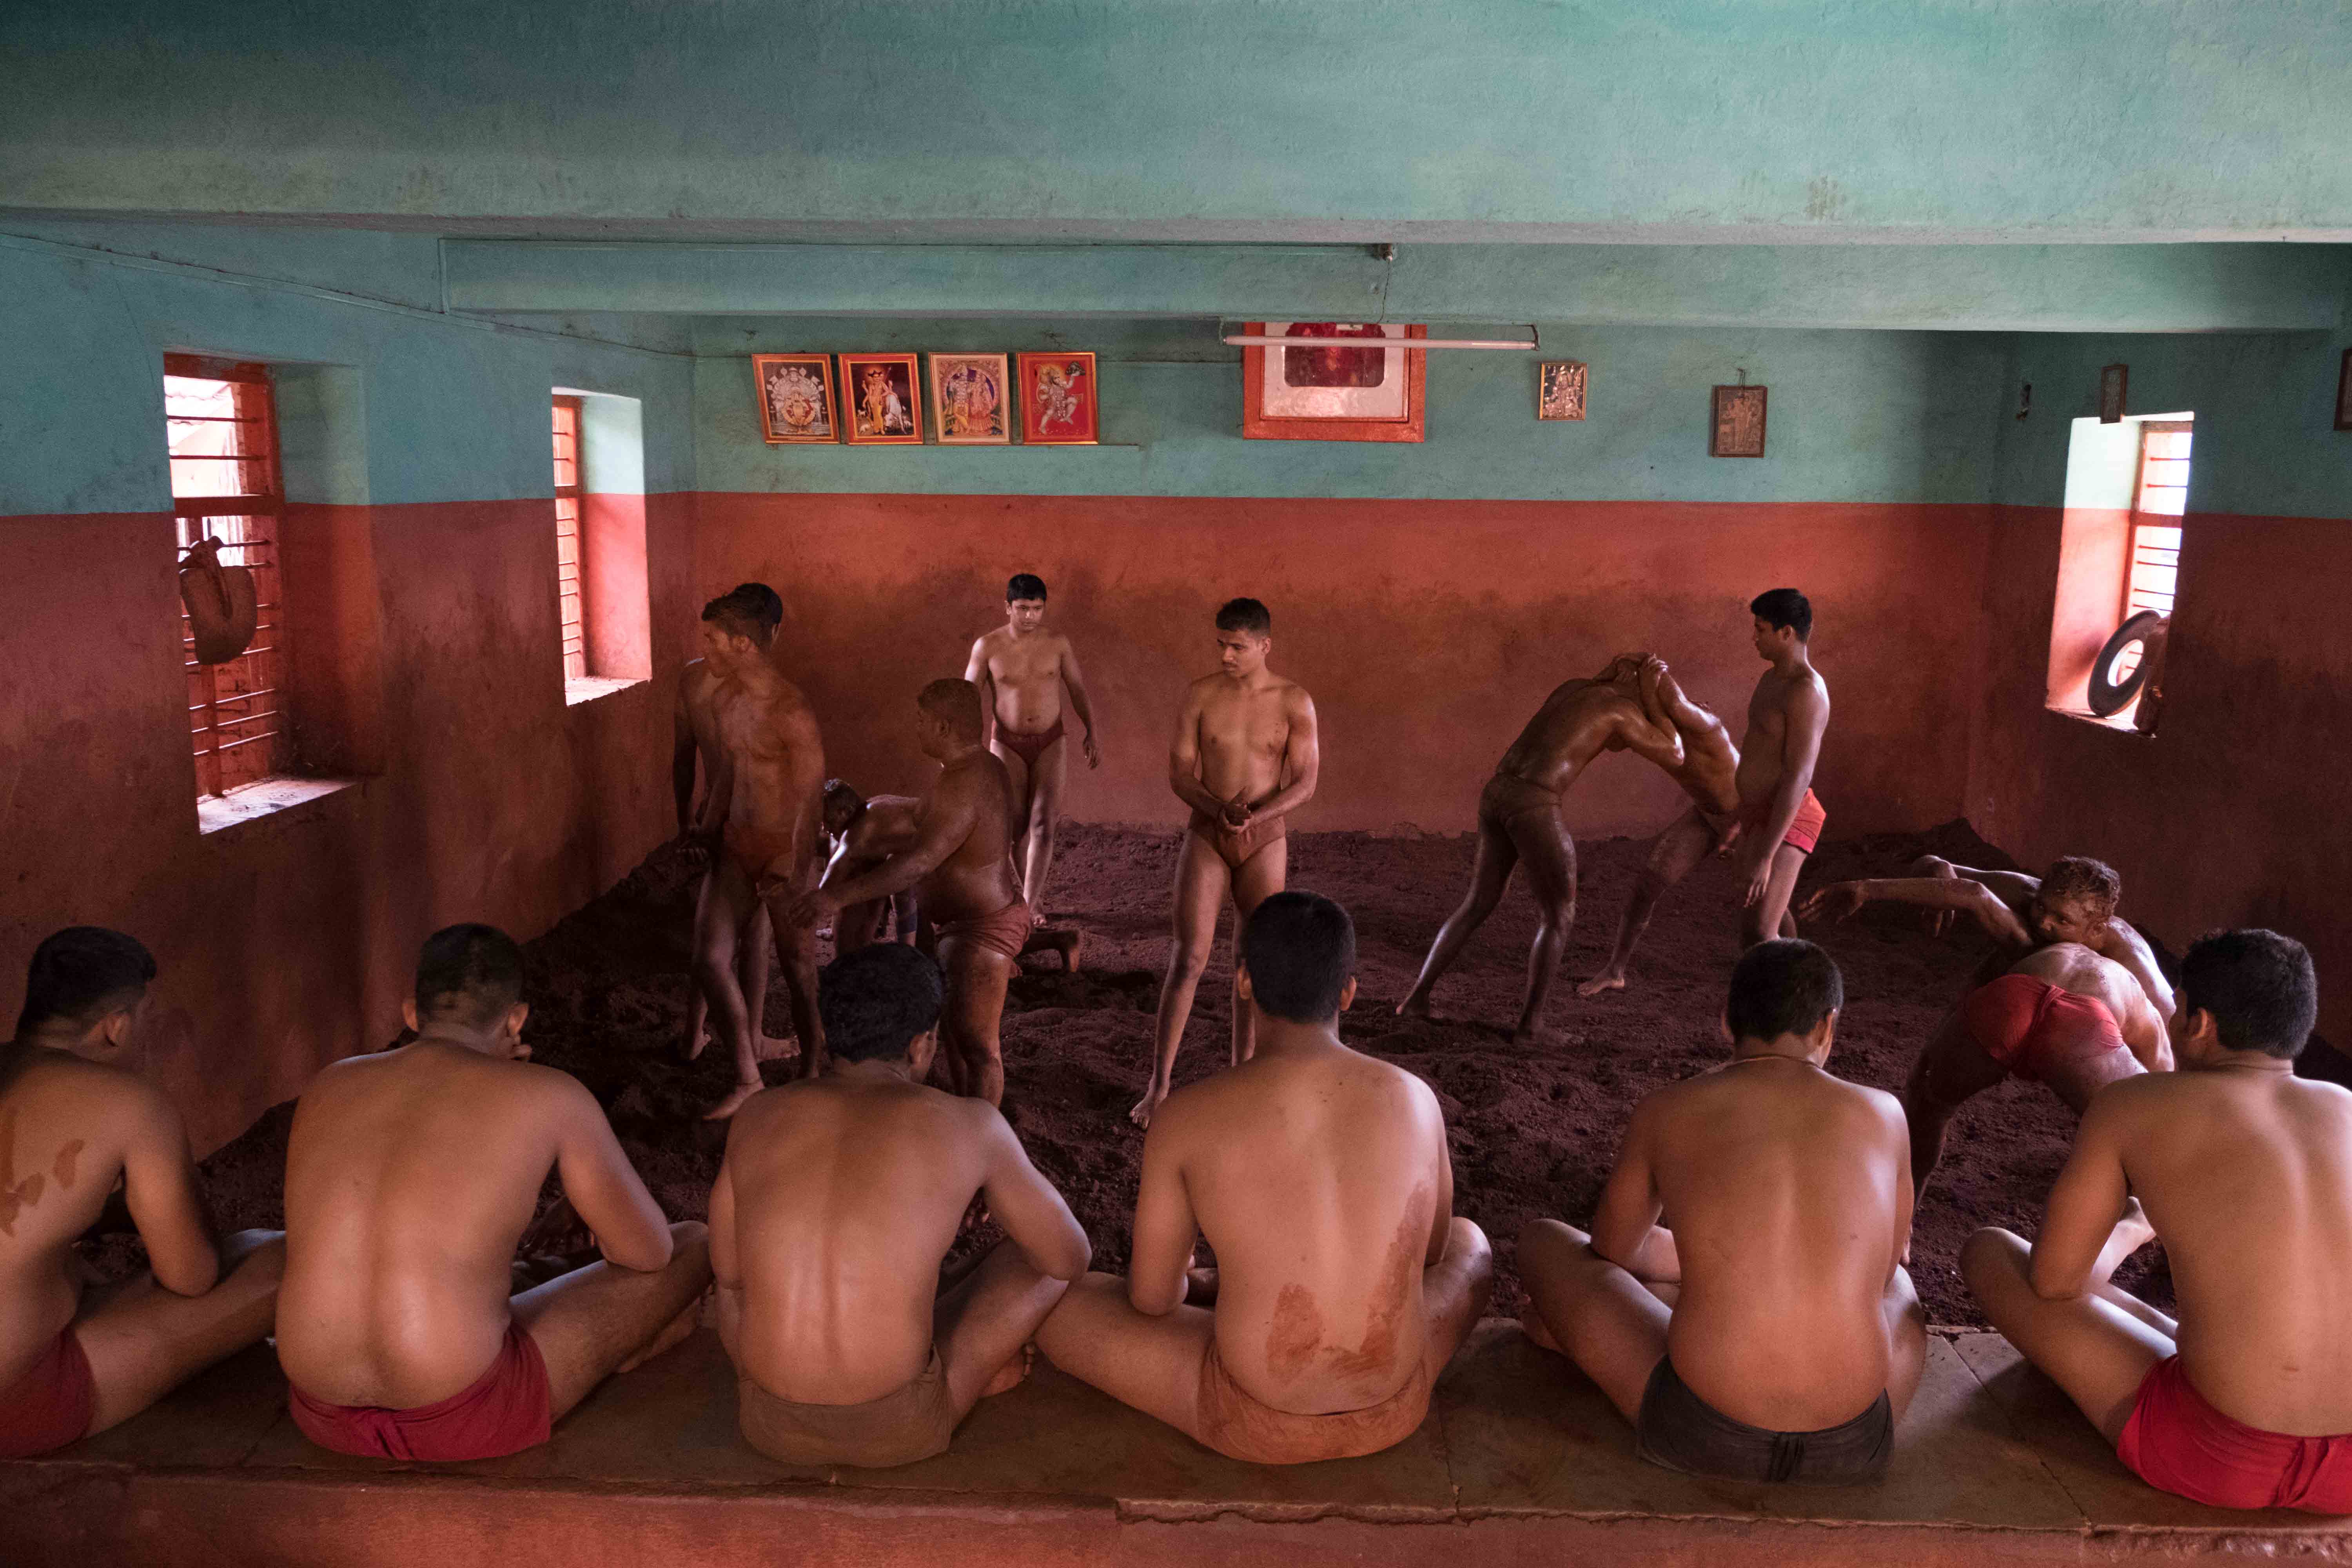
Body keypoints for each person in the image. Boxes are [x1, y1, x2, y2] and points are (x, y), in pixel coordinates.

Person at [1042, 893, 1492, 1464]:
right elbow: (1431, 1256)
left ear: (1245, 983)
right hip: (1395, 1403)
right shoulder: (1416, 1097)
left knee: (1058, 1300)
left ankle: (1229, 1288)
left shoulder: (1187, 1115)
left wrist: (1193, 1278)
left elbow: (1153, 1300)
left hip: (1253, 1419)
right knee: (1471, 1242)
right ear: (1349, 991)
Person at [275, 925, 711, 1462]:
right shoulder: (550, 1094)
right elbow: (646, 1254)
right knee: (692, 1242)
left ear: (412, 1014)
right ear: (516, 1019)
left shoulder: (327, 1084)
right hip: (465, 1415)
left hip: (319, 1410)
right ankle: (626, 1349)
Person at [1962, 930, 2352, 1514]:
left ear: (2198, 1023)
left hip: (2218, 1456)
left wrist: (2135, 1226)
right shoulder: (2345, 1106)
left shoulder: (2137, 1103)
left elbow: (2056, 1284)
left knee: (1990, 1252)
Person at [1519, 940, 1925, 1485]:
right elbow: (1884, 1265)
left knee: (1544, 1242)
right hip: (1856, 1440)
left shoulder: (1669, 1109)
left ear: (1725, 1023)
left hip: (1700, 1430)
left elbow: (1612, 1252)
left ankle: (1583, 1334)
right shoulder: (1886, 1113)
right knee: (1899, 1286)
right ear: (1828, 1027)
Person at [711, 943, 1091, 1467]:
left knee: (735, 1287)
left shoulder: (756, 1115)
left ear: (825, 1033)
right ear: (921, 1046)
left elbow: (728, 1277)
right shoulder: (972, 1124)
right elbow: (1070, 1258)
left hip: (764, 1420)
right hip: (896, 1429)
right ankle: (962, 1381)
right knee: (1043, 1266)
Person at [0, 929, 285, 1460]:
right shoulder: (129, 1104)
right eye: (144, 1021)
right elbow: (191, 1277)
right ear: (116, 1027)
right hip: (17, 1401)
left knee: (72, 1268)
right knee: (277, 1258)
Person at [1800, 856, 2175, 1194]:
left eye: (2062, 921)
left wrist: (1869, 889)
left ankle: (1903, 1216)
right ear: (2038, 892)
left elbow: (1975, 896)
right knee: (2144, 1133)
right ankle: (1907, 1207)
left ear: (2097, 929)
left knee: (1930, 1095)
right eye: (2042, 908)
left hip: (2028, 1002)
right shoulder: (2026, 901)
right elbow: (1943, 871)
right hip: (2059, 1014)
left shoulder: (2136, 966)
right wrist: (1935, 877)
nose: (2044, 922)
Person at [1397, 655, 1685, 1044]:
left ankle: (1416, 999)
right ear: (1638, 685)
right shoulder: (1621, 710)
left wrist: (1627, 673)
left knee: (1479, 901)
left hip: (1497, 793)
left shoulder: (1573, 688)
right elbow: (1675, 752)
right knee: (1559, 915)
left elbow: (1601, 720)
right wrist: (1654, 700)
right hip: (1533, 803)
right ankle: (1531, 1026)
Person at [1131, 598, 1320, 1129]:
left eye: (1238, 646)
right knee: (1189, 957)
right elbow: (1180, 773)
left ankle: (1243, 1076)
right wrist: (1219, 811)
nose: (1227, 654)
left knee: (1250, 964)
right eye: (1221, 644)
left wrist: (1258, 816)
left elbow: (1305, 781)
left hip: (1265, 837)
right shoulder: (1200, 695)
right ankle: (1160, 1085)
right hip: (1209, 833)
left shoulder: (1294, 700)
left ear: (1264, 646)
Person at [792, 681, 1027, 1107]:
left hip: (984, 929)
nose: (915, 727)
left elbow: (920, 863)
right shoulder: (960, 772)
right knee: (956, 1034)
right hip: (962, 925)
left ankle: (984, 1142)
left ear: (943, 726)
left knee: (978, 1047)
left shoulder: (968, 781)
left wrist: (835, 898)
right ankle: (967, 1117)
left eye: (921, 720)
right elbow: (928, 820)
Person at [697, 583, 829, 1118]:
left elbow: (811, 798)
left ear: (743, 645)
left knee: (800, 972)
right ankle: (749, 1078)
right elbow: (730, 769)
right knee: (709, 959)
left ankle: (814, 1077)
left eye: (712, 640)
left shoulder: (793, 712)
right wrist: (709, 825)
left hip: (783, 853)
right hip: (736, 847)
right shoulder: (725, 699)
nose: (704, 649)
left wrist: (794, 866)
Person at [1578, 661, 1746, 997]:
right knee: (1648, 884)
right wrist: (1616, 671)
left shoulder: (1708, 723)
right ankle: (1615, 971)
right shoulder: (1664, 735)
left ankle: (1795, 969)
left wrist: (1651, 669)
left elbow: (1673, 700)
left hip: (1746, 818)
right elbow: (1615, 741)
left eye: (1700, 705)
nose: (1699, 704)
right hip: (1705, 817)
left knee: (1767, 905)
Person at [673, 584, 782, 1063]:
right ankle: (753, 1037)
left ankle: (693, 1034)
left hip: (710, 817)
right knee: (753, 932)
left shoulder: (692, 681)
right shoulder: (763, 691)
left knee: (710, 927)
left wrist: (686, 823)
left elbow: (682, 758)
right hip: (749, 821)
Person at [964, 573, 1102, 926]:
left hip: (1051, 741)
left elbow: (1077, 688)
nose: (1029, 617)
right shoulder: (987, 646)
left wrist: (1092, 730)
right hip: (1006, 743)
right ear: (1007, 607)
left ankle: (1030, 903)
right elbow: (966, 699)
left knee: (1044, 824)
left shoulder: (1057, 643)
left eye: (1037, 609)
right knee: (1015, 827)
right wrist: (965, 750)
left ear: (1044, 609)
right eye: (1022, 609)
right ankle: (1021, 899)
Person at [1730, 589, 1831, 948]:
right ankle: (1803, 976)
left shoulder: (1807, 692)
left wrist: (1767, 856)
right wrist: (1744, 815)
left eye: (1761, 629)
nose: (1754, 638)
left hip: (1791, 815)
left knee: (1761, 933)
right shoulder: (1769, 680)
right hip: (1761, 812)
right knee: (1759, 919)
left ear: (1787, 633)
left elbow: (1798, 776)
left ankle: (1788, 996)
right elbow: (1758, 752)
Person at [820, 779, 924, 953]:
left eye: (829, 820)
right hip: (926, 846)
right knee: (887, 875)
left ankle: (909, 953)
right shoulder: (871, 811)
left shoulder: (860, 831)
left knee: (900, 881)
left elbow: (827, 888)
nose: (825, 827)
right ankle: (908, 951)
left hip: (944, 851)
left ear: (847, 812)